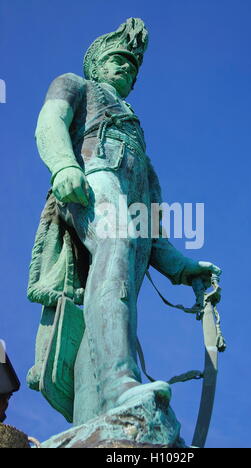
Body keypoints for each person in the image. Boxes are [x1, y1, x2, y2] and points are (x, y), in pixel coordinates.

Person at [29, 18, 221, 425]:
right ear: (96, 65)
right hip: (89, 181)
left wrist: (182, 268)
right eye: (118, 61)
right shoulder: (75, 84)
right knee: (114, 243)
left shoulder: (141, 145)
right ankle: (121, 382)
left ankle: (94, 415)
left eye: (133, 68)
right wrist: (63, 164)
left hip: (132, 217)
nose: (127, 69)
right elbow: (49, 122)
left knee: (114, 298)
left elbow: (152, 221)